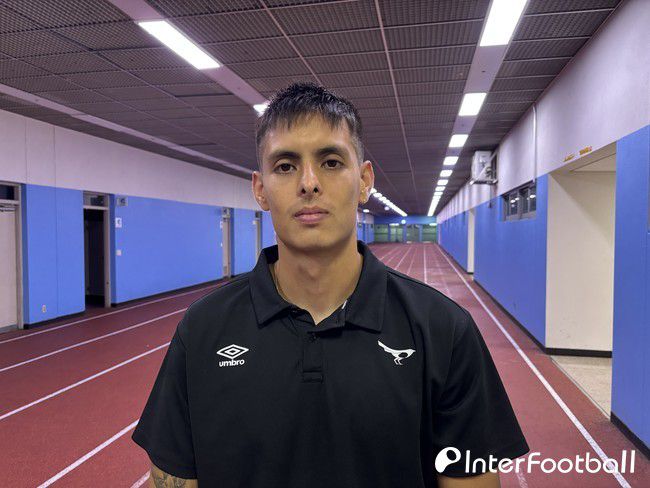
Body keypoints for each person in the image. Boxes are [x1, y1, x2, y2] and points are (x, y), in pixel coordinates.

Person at [132, 82, 529, 488]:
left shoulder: (444, 330)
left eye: (331, 162)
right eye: (285, 166)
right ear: (260, 189)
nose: (309, 183)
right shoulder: (202, 329)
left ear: (364, 181)